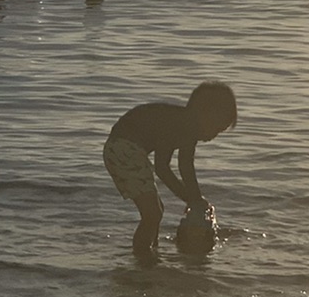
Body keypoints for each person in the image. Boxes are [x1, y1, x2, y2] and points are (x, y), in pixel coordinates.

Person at [102, 82, 238, 262]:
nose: (213, 136)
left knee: (156, 211)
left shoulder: (185, 125)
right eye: (216, 128)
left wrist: (192, 198)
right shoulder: (183, 124)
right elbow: (167, 168)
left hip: (125, 148)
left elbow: (179, 167)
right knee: (152, 214)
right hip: (124, 148)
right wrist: (193, 199)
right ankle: (143, 259)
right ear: (203, 114)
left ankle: (152, 254)